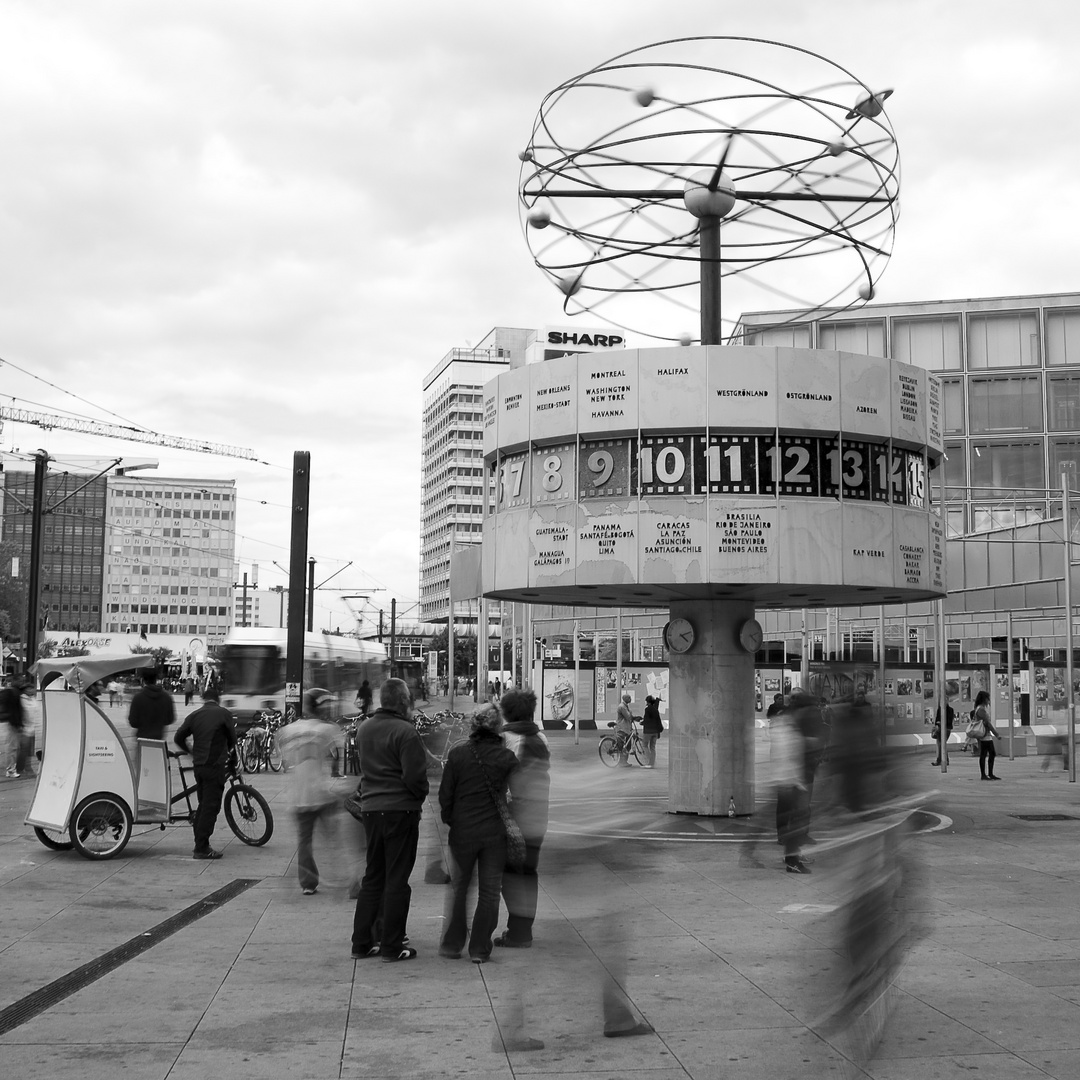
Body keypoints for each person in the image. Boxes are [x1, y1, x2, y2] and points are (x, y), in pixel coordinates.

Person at [351, 678, 429, 963]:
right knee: (397, 880)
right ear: (402, 701)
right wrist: (419, 796)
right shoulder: (406, 732)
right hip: (400, 811)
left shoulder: (364, 728)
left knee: (373, 876)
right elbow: (414, 777)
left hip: (371, 810)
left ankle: (361, 943)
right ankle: (392, 946)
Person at [438, 704, 518, 963]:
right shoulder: (506, 758)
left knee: (460, 889)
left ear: (473, 726)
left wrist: (451, 820)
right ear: (498, 728)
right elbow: (519, 795)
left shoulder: (458, 755)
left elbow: (445, 796)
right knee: (490, 892)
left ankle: (452, 944)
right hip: (494, 834)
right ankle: (479, 948)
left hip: (462, 832)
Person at [495, 688, 549, 949]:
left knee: (510, 874)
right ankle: (522, 930)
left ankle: (518, 931)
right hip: (539, 815)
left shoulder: (507, 738)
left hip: (515, 817)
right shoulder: (540, 736)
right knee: (528, 872)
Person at [277, 687, 341, 895]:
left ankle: (307, 883)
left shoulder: (287, 731)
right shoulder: (326, 729)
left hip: (297, 795)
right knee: (334, 835)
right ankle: (347, 875)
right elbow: (334, 754)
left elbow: (285, 760)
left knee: (305, 841)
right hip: (321, 793)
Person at [173, 687, 237, 859]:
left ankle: (199, 840)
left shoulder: (195, 715)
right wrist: (230, 757)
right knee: (211, 806)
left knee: (203, 804)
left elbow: (178, 737)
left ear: (204, 699)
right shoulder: (224, 714)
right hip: (214, 765)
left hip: (199, 766)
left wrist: (191, 751)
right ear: (219, 699)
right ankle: (201, 847)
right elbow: (232, 740)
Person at [128, 668, 176, 741]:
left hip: (142, 738)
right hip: (159, 738)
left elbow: (133, 722)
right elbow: (170, 719)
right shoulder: (167, 697)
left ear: (143, 679)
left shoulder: (138, 697)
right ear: (156, 679)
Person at [970, 690, 1001, 780]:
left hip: (984, 734)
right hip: (985, 735)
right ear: (984, 699)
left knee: (985, 754)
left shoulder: (979, 708)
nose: (989, 700)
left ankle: (987, 774)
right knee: (990, 753)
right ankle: (986, 774)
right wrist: (996, 734)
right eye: (988, 698)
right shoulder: (981, 710)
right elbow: (987, 723)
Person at [2, 675, 28, 778]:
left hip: (13, 722)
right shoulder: (13, 692)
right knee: (12, 747)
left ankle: (11, 768)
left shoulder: (15, 691)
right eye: (21, 680)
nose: (22, 682)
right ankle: (10, 770)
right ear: (15, 681)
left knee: (12, 746)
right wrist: (18, 723)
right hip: (13, 723)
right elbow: (16, 711)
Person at [640, 695, 663, 768]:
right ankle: (652, 763)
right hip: (655, 731)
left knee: (644, 745)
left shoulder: (647, 709)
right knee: (652, 747)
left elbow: (647, 720)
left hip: (648, 731)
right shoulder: (655, 709)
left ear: (647, 702)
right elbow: (658, 720)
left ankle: (650, 762)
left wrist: (641, 723)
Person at [931, 701, 955, 766]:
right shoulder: (940, 709)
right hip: (940, 728)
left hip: (947, 728)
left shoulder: (950, 710)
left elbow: (950, 720)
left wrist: (941, 722)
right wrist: (937, 724)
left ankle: (940, 760)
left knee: (942, 744)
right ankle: (945, 760)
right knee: (941, 744)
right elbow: (937, 719)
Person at [615, 693, 634, 767]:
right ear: (625, 699)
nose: (630, 699)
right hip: (622, 728)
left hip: (626, 727)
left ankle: (624, 761)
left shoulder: (625, 706)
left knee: (626, 744)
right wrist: (633, 717)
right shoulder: (622, 707)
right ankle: (622, 761)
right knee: (624, 745)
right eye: (629, 698)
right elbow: (628, 716)